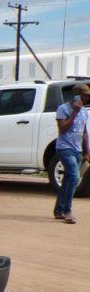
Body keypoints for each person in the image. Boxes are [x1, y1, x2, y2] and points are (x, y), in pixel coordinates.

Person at [54, 83, 90, 224]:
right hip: (64, 148)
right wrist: (74, 112)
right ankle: (67, 210)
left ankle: (58, 210)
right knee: (74, 177)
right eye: (85, 95)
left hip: (77, 150)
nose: (87, 98)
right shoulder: (63, 109)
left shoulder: (85, 112)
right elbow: (62, 129)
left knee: (69, 181)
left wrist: (87, 151)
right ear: (77, 95)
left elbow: (85, 132)